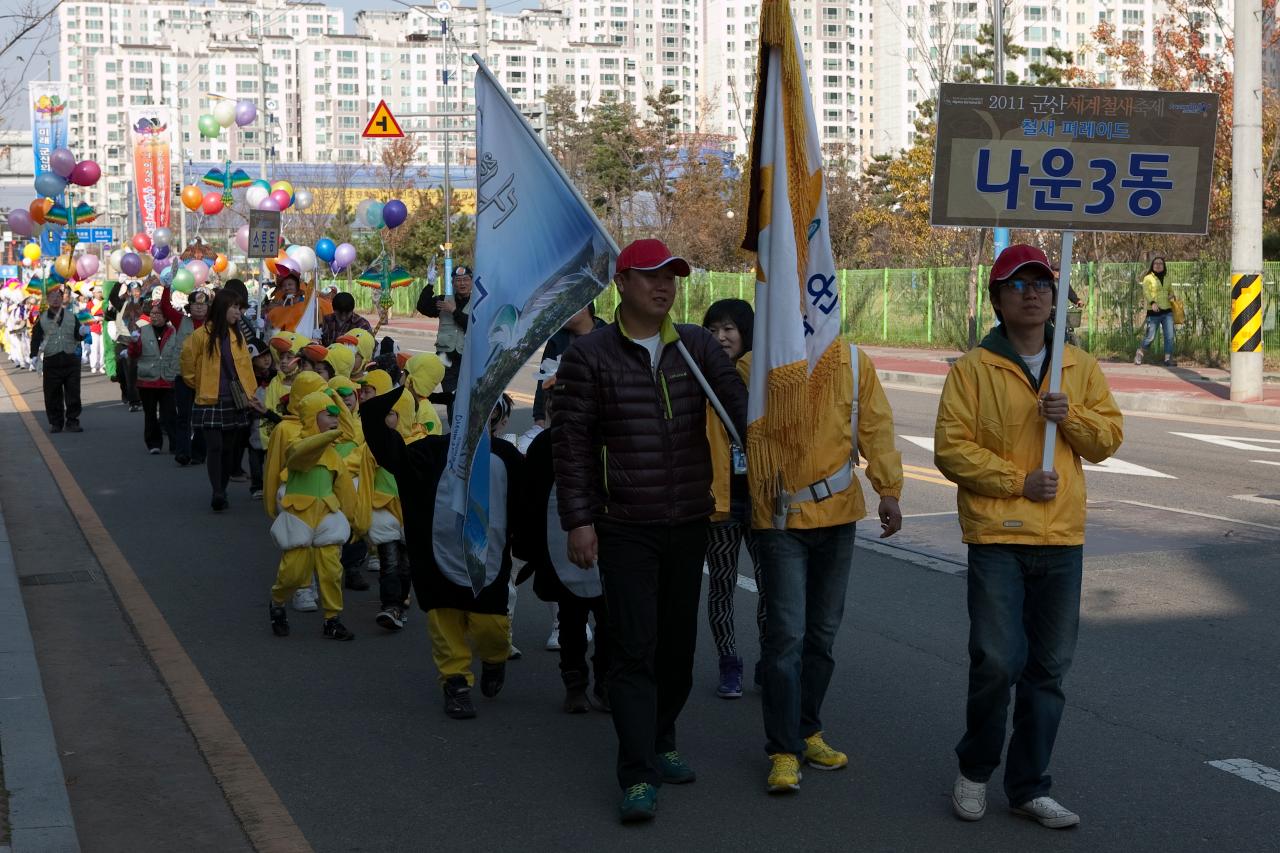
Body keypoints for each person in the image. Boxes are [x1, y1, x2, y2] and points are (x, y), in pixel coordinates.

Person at [553, 239, 748, 823]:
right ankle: (637, 773)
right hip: (624, 525)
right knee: (634, 649)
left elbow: (740, 410)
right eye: (650, 278)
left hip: (690, 518)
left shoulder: (693, 346)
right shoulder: (589, 356)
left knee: (678, 651)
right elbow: (573, 448)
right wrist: (580, 520)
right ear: (622, 284)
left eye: (672, 278)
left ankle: (662, 738)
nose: (664, 287)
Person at [935, 244, 1124, 830]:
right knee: (996, 661)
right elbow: (951, 451)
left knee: (1048, 670)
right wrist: (1017, 481)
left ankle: (1028, 787)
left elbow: (1107, 439)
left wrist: (1071, 418)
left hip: (1062, 541)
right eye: (1018, 284)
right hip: (997, 537)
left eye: (1042, 283)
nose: (1034, 292)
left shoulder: (1078, 366)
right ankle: (974, 769)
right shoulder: (973, 369)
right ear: (997, 299)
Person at [752, 325, 903, 796]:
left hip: (838, 517)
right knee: (786, 637)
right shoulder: (759, 364)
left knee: (821, 634)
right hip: (780, 520)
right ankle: (782, 749)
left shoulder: (853, 362)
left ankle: (807, 730)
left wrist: (889, 489)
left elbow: (877, 428)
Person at [360, 384, 524, 720]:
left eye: (491, 408)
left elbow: (529, 502)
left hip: (486, 559)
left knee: (492, 627)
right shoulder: (432, 451)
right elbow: (394, 457)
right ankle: (456, 684)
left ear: (498, 417)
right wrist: (376, 416)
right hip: (437, 557)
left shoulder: (507, 458)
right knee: (446, 625)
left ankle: (494, 659)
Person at [515, 365, 611, 714]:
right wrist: (532, 547)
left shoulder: (605, 439)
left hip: (606, 543)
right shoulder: (543, 446)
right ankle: (575, 682)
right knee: (571, 620)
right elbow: (531, 500)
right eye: (554, 399)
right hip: (560, 547)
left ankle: (605, 682)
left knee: (610, 620)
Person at [700, 299, 763, 699]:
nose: (721, 337)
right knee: (721, 586)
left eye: (729, 329)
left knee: (772, 590)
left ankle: (770, 662)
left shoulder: (764, 374)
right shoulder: (699, 375)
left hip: (762, 501)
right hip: (719, 502)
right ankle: (729, 664)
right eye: (713, 330)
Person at [266, 391, 366, 641]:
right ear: (312, 417)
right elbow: (302, 456)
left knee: (332, 572)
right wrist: (328, 435)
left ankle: (332, 619)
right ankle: (277, 603)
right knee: (293, 573)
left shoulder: (334, 454)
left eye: (336, 415)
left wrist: (355, 521)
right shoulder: (296, 444)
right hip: (299, 516)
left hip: (327, 516)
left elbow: (344, 490)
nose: (335, 419)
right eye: (328, 414)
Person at [183, 288, 265, 511]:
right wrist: (201, 386)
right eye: (235, 308)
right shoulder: (200, 336)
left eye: (240, 308)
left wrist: (250, 395)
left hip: (235, 400)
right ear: (223, 307)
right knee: (215, 447)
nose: (239, 313)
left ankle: (223, 487)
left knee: (229, 449)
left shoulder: (238, 335)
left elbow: (246, 368)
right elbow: (187, 366)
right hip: (208, 400)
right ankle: (217, 492)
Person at [29, 285, 88, 433]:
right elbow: (35, 338)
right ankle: (56, 422)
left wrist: (81, 333)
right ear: (47, 300)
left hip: (70, 360)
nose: (55, 299)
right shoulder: (41, 319)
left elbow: (77, 336)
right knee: (52, 394)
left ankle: (72, 421)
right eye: (52, 296)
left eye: (58, 296)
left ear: (63, 299)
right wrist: (34, 355)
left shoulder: (72, 316)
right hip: (51, 360)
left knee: (73, 393)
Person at [416, 265, 472, 419]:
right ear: (453, 283)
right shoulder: (443, 300)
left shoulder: (478, 303)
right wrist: (430, 284)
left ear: (472, 282)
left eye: (466, 280)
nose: (462, 283)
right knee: (452, 395)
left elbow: (472, 325)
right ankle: (455, 432)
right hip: (445, 357)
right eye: (458, 280)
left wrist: (453, 311)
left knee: (467, 396)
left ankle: (466, 431)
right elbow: (422, 307)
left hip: (467, 357)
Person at [128, 299, 179, 454]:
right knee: (150, 414)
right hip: (147, 379)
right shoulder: (142, 330)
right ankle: (153, 443)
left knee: (170, 414)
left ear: (166, 316)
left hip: (167, 378)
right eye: (152, 313)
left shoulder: (174, 332)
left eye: (159, 313)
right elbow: (134, 354)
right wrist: (134, 342)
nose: (155, 316)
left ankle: (175, 444)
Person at [171, 288, 211, 466]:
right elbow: (165, 306)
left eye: (203, 305)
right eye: (196, 305)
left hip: (205, 377)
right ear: (190, 307)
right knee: (184, 416)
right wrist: (166, 286)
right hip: (183, 376)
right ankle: (182, 453)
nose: (200, 308)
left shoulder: (213, 325)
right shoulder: (181, 321)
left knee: (201, 416)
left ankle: (199, 453)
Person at [1135, 256, 1175, 366]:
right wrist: (1152, 303)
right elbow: (1146, 292)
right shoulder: (1148, 278)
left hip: (1167, 311)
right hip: (1154, 312)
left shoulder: (1167, 277)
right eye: (1156, 263)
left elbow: (1171, 291)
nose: (1158, 265)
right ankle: (1140, 353)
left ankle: (1168, 359)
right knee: (1150, 337)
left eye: (1160, 263)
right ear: (1152, 265)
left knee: (1169, 336)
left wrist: (1172, 295)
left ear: (1164, 265)